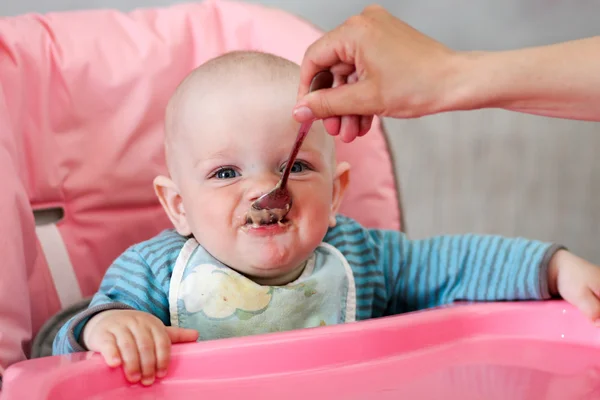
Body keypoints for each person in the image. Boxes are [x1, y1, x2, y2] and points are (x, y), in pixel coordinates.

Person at [53, 50, 600, 387]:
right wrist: (103, 329)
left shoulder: (361, 257)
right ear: (178, 206)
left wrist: (553, 269)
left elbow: (455, 264)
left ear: (337, 193)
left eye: (296, 166)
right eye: (224, 174)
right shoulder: (153, 274)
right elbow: (63, 345)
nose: (267, 189)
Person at [293, 5, 600, 143]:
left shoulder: (371, 250)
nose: (260, 188)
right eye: (239, 174)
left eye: (296, 168)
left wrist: (549, 262)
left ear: (337, 190)